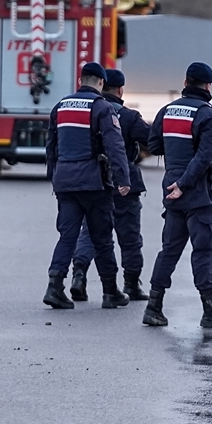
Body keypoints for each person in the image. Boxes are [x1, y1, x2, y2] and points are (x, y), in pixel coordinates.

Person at [143, 61, 212, 329]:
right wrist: (185, 183)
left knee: (169, 250)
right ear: (208, 86)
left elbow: (154, 145)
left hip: (171, 191)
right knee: (204, 251)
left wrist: (176, 172)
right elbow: (205, 156)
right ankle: (211, 309)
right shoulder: (208, 116)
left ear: (185, 83)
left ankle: (153, 306)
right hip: (198, 194)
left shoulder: (167, 111)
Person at [43, 62, 132, 310]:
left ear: (80, 80)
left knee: (67, 236)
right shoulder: (102, 107)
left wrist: (54, 175)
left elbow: (51, 146)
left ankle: (54, 287)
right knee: (102, 238)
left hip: (65, 182)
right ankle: (110, 291)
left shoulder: (61, 106)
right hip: (93, 183)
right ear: (101, 83)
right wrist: (123, 179)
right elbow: (115, 146)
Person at [70, 68, 152, 302]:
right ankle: (131, 283)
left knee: (90, 232)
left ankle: (79, 275)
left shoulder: (88, 112)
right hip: (124, 182)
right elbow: (152, 140)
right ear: (120, 90)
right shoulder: (128, 116)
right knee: (130, 236)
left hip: (93, 179)